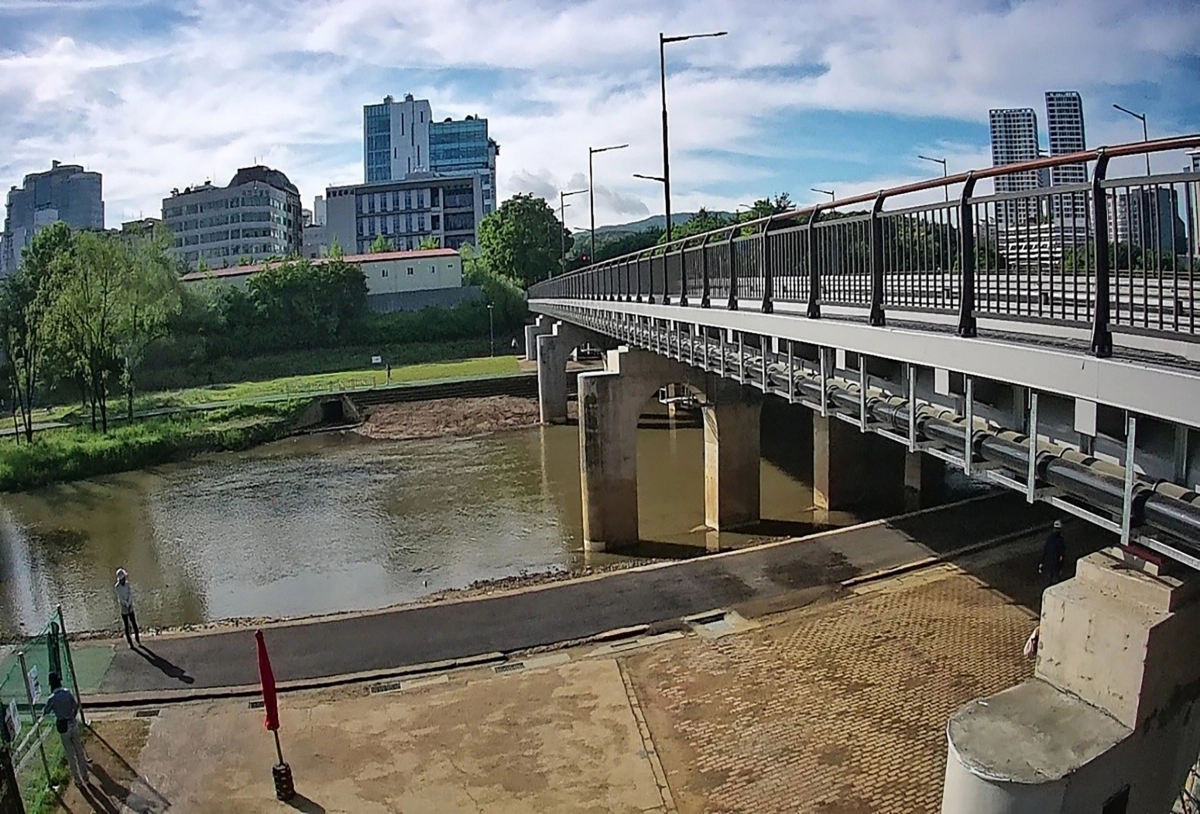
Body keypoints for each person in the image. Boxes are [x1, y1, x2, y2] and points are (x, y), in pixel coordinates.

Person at [43, 671, 88, 787]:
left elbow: (46, 711)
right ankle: (85, 777)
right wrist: (72, 716)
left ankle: (78, 780)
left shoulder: (52, 698)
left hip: (64, 729)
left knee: (70, 755)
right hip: (73, 724)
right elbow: (75, 705)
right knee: (79, 752)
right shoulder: (67, 693)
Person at [115, 568, 141, 647]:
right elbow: (120, 598)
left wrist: (129, 602)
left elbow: (130, 594)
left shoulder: (127, 584)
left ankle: (137, 639)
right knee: (127, 626)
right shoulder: (117, 587)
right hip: (124, 608)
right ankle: (130, 642)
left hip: (130, 606)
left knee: (134, 623)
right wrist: (126, 604)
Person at [1039, 520, 1067, 586]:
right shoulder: (1060, 540)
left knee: (1051, 576)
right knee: (1056, 576)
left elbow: (1045, 550)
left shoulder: (1050, 538)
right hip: (1055, 562)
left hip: (1050, 561)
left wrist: (1042, 561)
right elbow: (1062, 553)